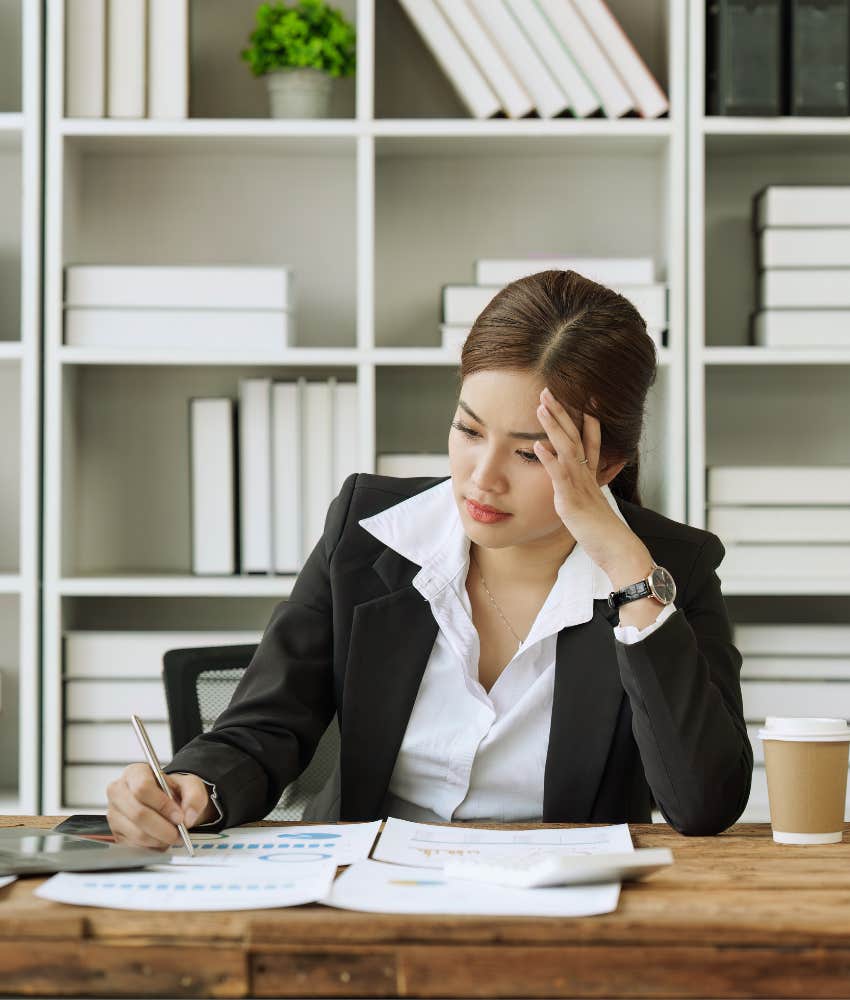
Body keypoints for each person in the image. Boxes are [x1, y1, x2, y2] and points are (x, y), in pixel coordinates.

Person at [106, 269, 753, 849]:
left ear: (605, 462)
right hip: (365, 893)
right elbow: (263, 722)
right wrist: (192, 784)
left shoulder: (671, 570)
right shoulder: (368, 532)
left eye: (531, 454)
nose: (482, 478)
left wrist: (624, 567)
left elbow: (703, 805)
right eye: (469, 431)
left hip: (556, 920)